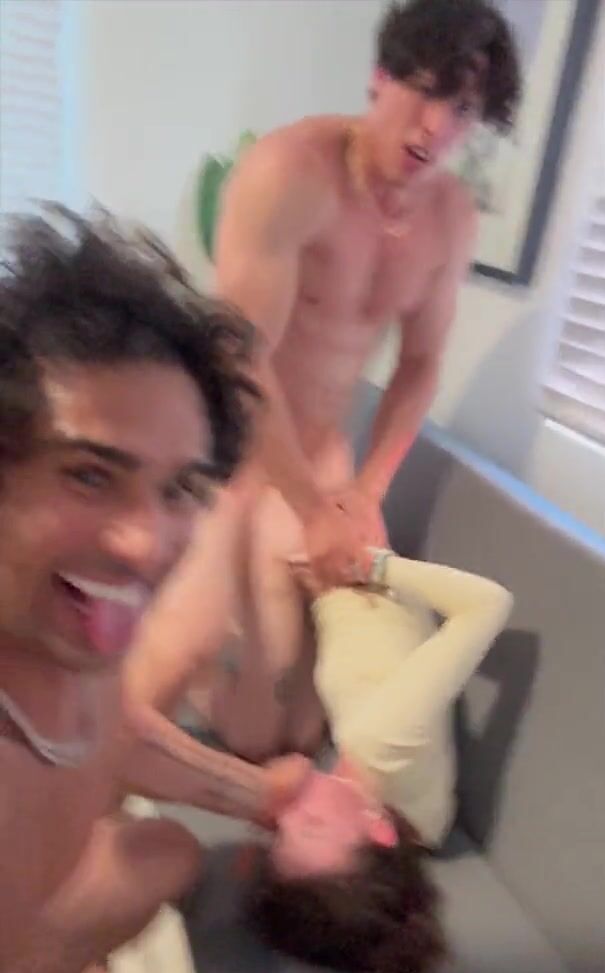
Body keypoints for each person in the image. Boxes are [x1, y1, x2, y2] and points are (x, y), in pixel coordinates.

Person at [127, 0, 521, 760]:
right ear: (380, 78)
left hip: (321, 459)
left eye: (463, 110)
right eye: (426, 90)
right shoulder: (290, 172)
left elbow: (420, 364)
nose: (436, 127)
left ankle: (214, 679)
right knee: (184, 643)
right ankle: (85, 795)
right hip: (229, 450)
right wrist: (314, 511)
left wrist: (366, 491)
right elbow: (239, 357)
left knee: (287, 733)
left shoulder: (450, 218)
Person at [0, 205, 309, 973]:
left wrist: (270, 794)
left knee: (166, 855)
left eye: (179, 490)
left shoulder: (70, 646)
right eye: (89, 475)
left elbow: (117, 729)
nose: (146, 546)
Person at [246, 548, 513, 973]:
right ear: (378, 829)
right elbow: (491, 603)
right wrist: (369, 564)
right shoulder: (382, 737)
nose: (287, 813)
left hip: (329, 594)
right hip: (356, 569)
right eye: (312, 825)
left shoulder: (422, 828)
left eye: (281, 834)